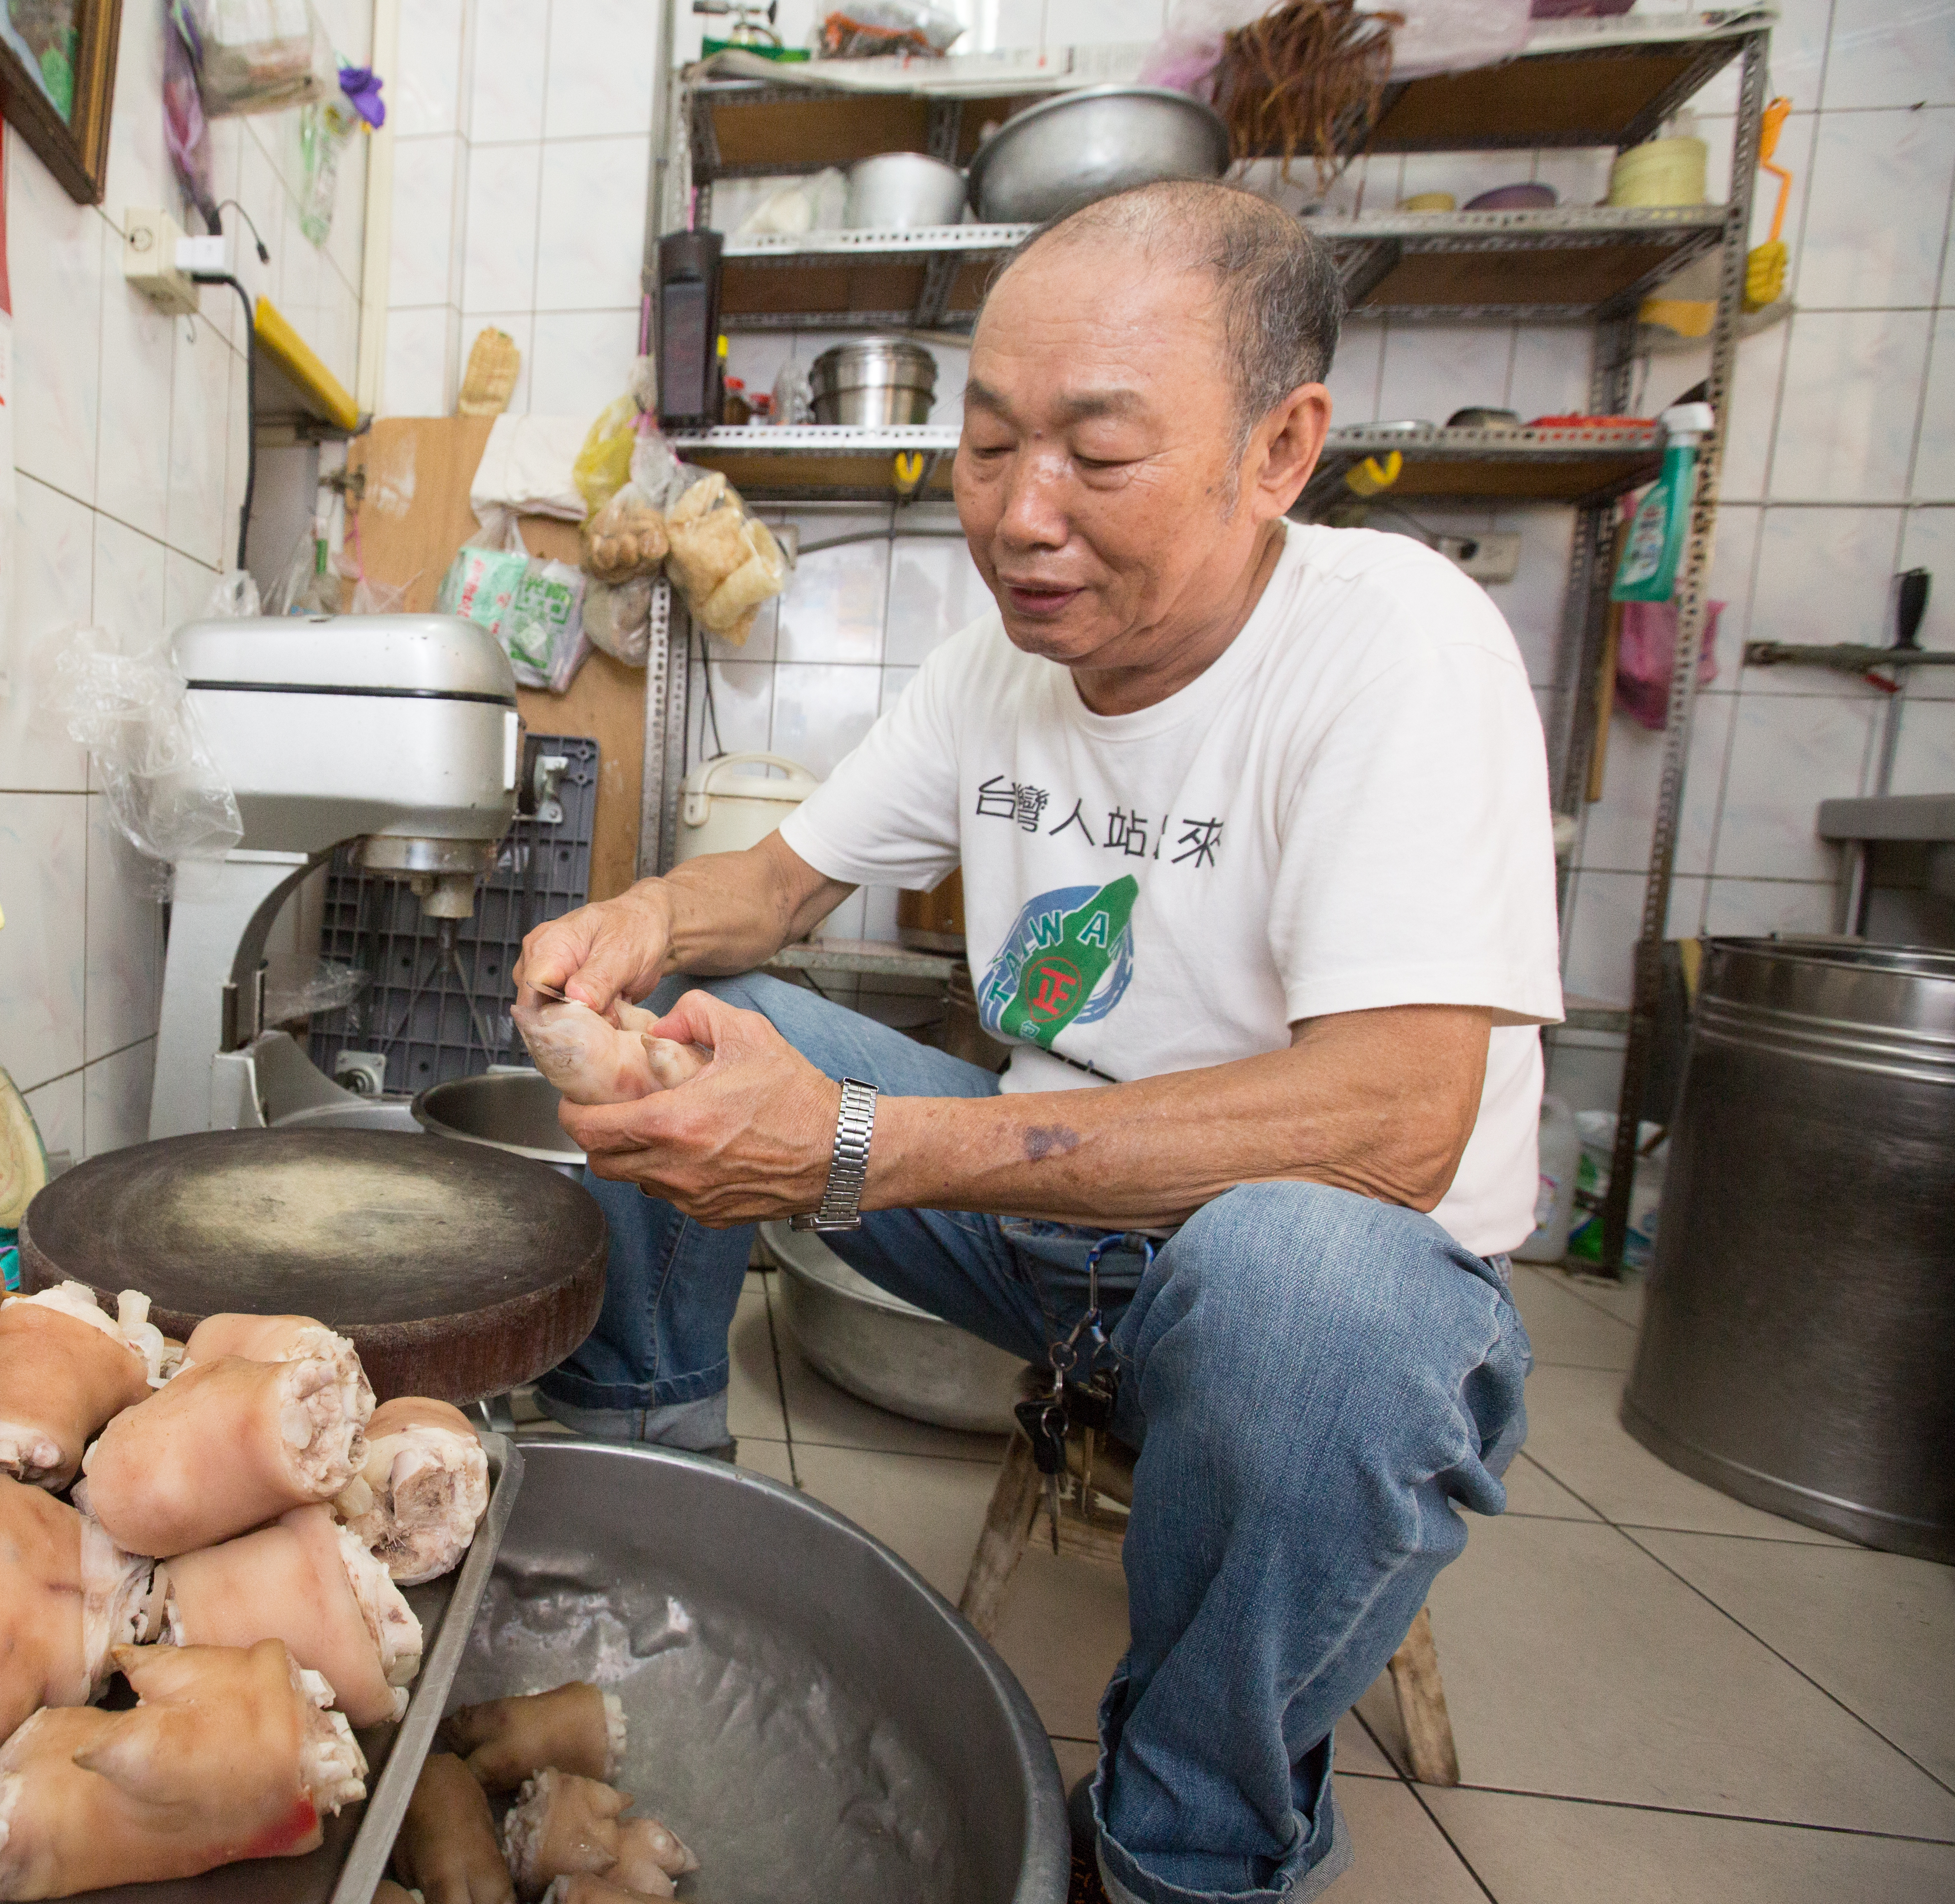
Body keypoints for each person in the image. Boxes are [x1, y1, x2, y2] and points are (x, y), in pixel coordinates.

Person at [513, 179, 1558, 1904]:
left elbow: (1398, 1123)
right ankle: (647, 1497)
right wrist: (639, 928)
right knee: (707, 1028)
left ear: (1280, 447)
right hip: (1042, 1236)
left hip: (1301, 1273)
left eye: (1099, 453)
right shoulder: (1002, 668)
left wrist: (858, 1143)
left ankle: (1184, 1847)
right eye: (988, 446)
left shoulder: (1395, 647)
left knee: (1313, 1293)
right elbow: (774, 892)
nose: (1021, 516)